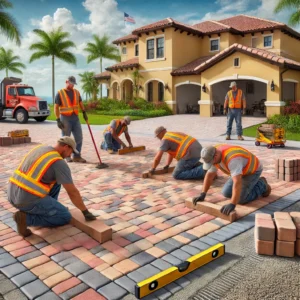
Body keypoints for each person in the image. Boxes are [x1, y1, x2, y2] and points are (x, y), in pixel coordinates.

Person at [8, 137, 97, 237]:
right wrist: (85, 212)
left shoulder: (41, 149)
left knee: (57, 182)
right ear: (66, 147)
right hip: (26, 199)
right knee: (64, 216)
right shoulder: (58, 162)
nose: (69, 155)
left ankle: (47, 210)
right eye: (70, 152)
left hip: (12, 194)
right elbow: (72, 192)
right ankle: (26, 219)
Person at [192, 144, 271, 215]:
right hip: (238, 170)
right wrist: (203, 194)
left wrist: (233, 204)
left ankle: (262, 184)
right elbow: (209, 175)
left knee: (241, 199)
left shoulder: (233, 160)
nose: (211, 164)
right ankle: (253, 184)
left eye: (211, 162)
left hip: (252, 170)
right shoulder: (213, 153)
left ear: (215, 156)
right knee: (226, 193)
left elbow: (237, 182)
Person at [55, 76, 88, 163]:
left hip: (75, 118)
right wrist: (58, 119)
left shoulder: (76, 92)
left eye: (74, 84)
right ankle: (67, 156)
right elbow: (56, 107)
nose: (72, 85)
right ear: (67, 81)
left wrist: (84, 112)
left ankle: (77, 156)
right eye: (71, 83)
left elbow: (80, 103)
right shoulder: (60, 93)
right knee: (66, 139)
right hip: (65, 118)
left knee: (79, 137)